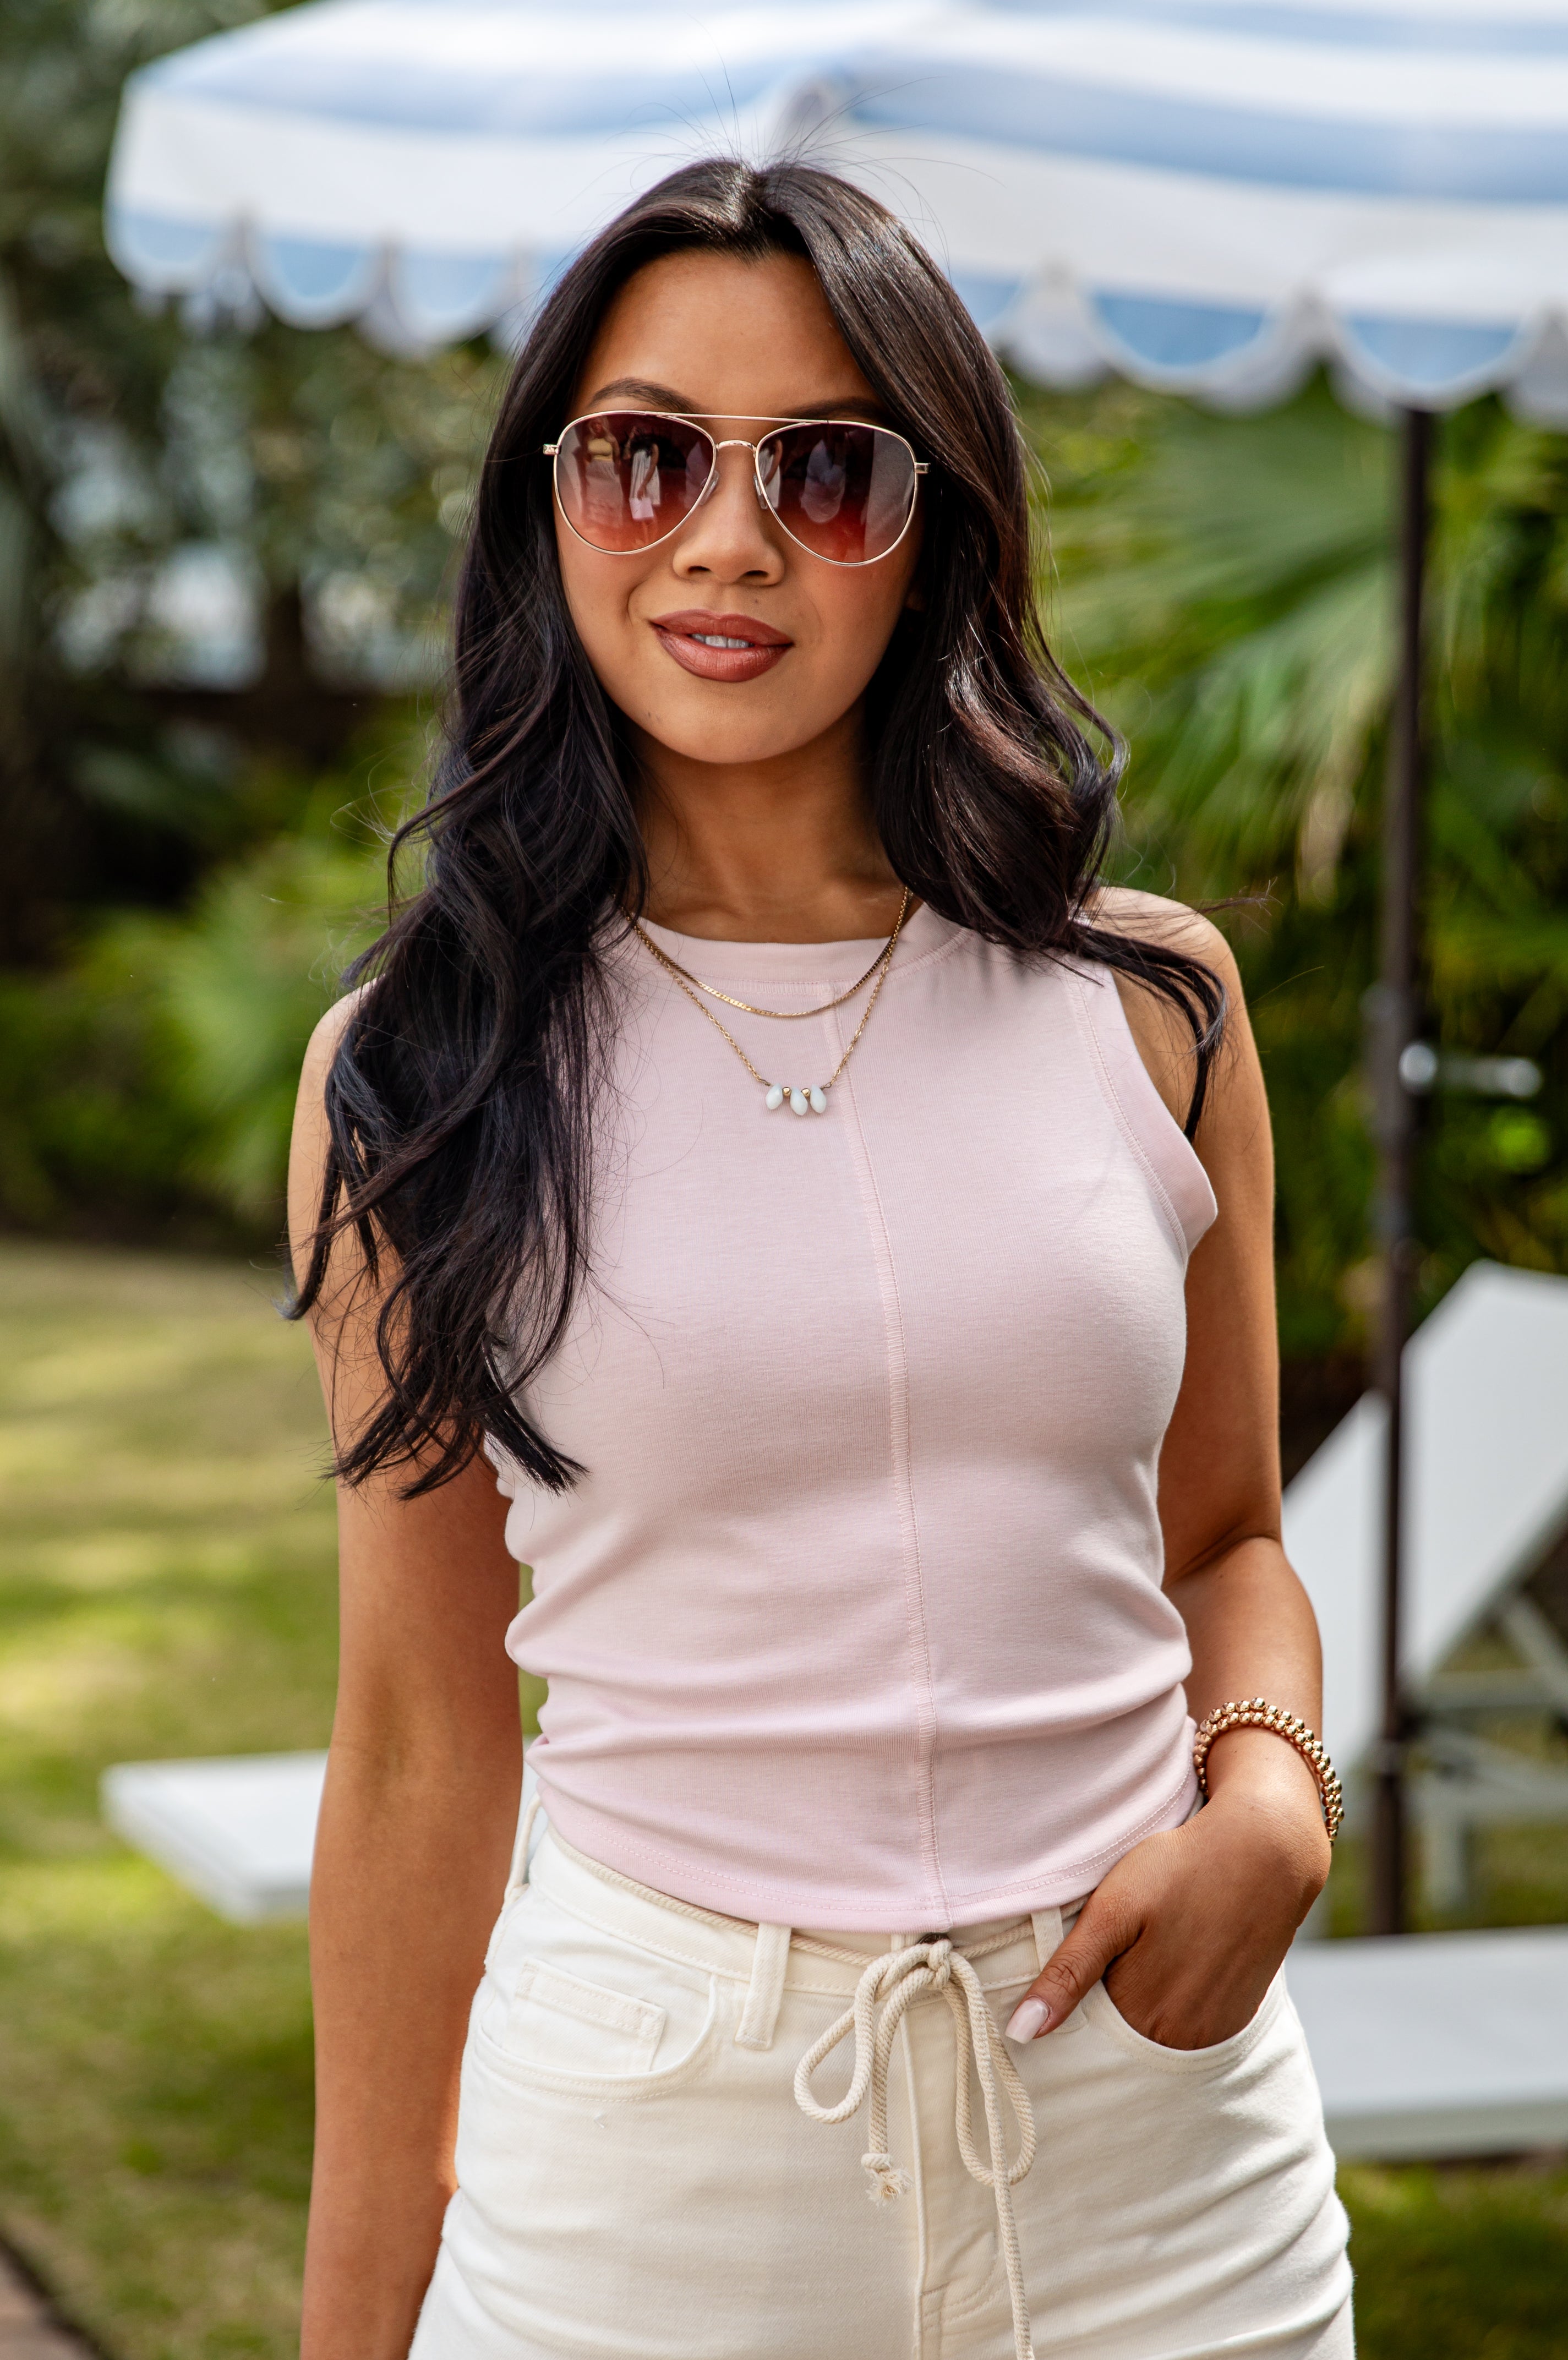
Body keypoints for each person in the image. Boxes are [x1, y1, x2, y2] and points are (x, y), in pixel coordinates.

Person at [289, 159, 1353, 2360]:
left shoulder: (1152, 1006)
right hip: (653, 2171)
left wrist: (1271, 1794)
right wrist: (352, 2325)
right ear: (550, 503)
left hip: (1166, 2160)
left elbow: (1226, 1537)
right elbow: (413, 1744)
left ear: (938, 519)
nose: (726, 536)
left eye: (827, 467)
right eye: (644, 453)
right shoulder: (419, 1069)